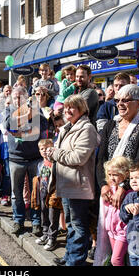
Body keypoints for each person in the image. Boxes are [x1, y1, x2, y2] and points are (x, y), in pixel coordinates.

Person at [47, 95, 100, 266]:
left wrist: (55, 153)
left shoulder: (87, 129)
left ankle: (76, 261)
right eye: (66, 107)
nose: (67, 110)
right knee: (70, 223)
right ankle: (69, 256)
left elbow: (79, 157)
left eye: (72, 108)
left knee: (78, 225)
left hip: (79, 185)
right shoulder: (66, 128)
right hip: (67, 183)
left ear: (82, 110)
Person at [96, 84, 139, 211]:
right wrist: (103, 185)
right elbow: (101, 158)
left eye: (125, 100)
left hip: (131, 191)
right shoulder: (110, 125)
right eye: (117, 100)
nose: (120, 104)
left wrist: (123, 187)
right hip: (108, 187)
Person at [5, 86, 48, 236]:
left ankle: (36, 222)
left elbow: (44, 125)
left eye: (20, 97)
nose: (17, 100)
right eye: (15, 97)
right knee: (16, 193)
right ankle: (18, 220)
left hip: (34, 158)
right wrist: (29, 117)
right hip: (15, 158)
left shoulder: (36, 109)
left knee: (35, 192)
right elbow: (9, 125)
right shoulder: (9, 110)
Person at [94, 156, 132, 266]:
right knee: (116, 259)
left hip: (122, 232)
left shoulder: (128, 192)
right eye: (109, 175)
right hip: (111, 230)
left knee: (116, 260)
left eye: (115, 174)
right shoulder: (110, 189)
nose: (112, 178)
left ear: (125, 174)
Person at [32, 139, 63, 251]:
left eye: (47, 148)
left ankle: (52, 238)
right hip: (42, 192)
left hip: (53, 193)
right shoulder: (40, 164)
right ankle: (45, 233)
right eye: (42, 149)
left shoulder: (55, 163)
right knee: (43, 213)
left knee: (52, 216)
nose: (44, 151)